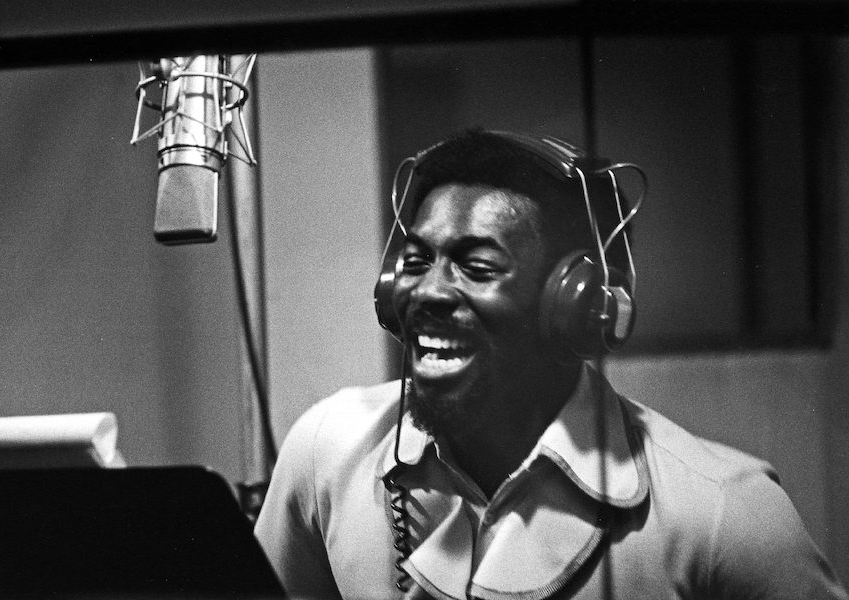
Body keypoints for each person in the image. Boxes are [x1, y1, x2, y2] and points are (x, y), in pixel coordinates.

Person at [253, 129, 848, 599]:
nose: (429, 293)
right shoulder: (326, 450)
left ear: (576, 306)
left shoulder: (726, 513)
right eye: (415, 261)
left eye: (477, 266)